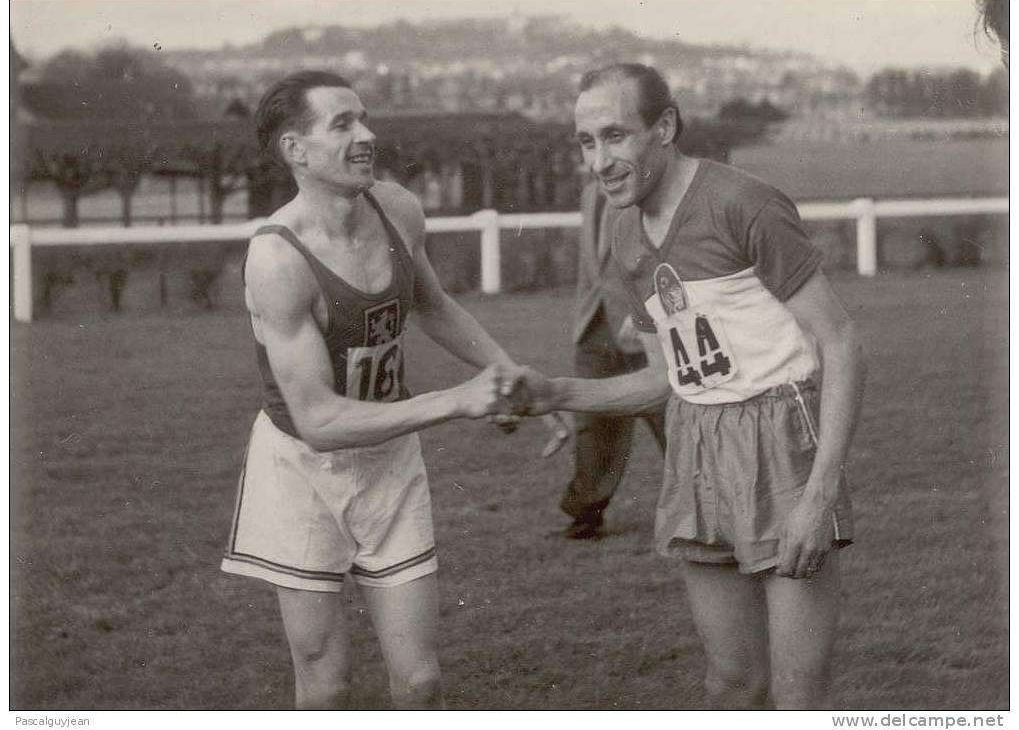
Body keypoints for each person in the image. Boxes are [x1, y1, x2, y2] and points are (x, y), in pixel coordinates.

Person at [521, 64, 865, 709]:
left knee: (798, 694)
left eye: (615, 136)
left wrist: (818, 496)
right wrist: (555, 393)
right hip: (696, 446)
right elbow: (665, 380)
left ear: (667, 126)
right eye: (586, 142)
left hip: (780, 446)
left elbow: (840, 340)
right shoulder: (624, 235)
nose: (600, 160)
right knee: (731, 685)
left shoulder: (743, 203)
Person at [220, 70, 543, 710]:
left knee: (421, 680)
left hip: (390, 463)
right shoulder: (278, 258)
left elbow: (433, 305)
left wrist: (508, 376)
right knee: (325, 680)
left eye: (364, 118)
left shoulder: (396, 209)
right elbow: (317, 420)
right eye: (343, 124)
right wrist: (456, 400)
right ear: (296, 150)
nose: (367, 135)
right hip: (303, 472)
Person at [557, 180, 666, 539]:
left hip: (644, 323)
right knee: (593, 418)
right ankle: (586, 513)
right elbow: (592, 267)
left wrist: (648, 313)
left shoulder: (653, 187)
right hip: (595, 323)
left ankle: (713, 504)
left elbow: (666, 255)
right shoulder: (591, 192)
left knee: (673, 417)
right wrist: (584, 318)